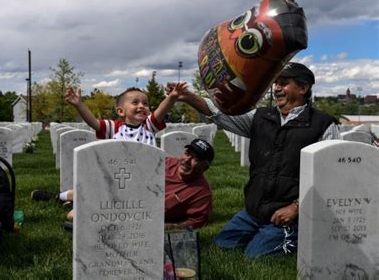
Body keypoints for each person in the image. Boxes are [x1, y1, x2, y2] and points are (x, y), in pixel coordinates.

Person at [173, 62, 340, 258]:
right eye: (275, 83)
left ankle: (296, 237)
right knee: (222, 245)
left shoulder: (323, 125)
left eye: (284, 83)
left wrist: (295, 208)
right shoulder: (261, 117)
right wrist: (189, 97)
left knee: (254, 256)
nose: (276, 88)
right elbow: (220, 115)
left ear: (303, 88)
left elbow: (331, 175)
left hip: (287, 215)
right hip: (254, 211)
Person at [33, 138, 215, 229]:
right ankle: (59, 196)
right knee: (94, 190)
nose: (187, 160)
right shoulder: (167, 162)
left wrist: (169, 226)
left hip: (142, 216)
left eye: (195, 158)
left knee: (73, 217)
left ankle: (73, 202)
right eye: (187, 153)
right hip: (128, 198)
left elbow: (194, 222)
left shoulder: (201, 194)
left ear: (205, 167)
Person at [65, 83, 187, 146]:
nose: (141, 106)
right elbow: (94, 123)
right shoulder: (114, 128)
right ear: (120, 111)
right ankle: (61, 195)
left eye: (145, 103)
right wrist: (79, 105)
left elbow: (161, 110)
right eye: (135, 102)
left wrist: (172, 98)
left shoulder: (148, 126)